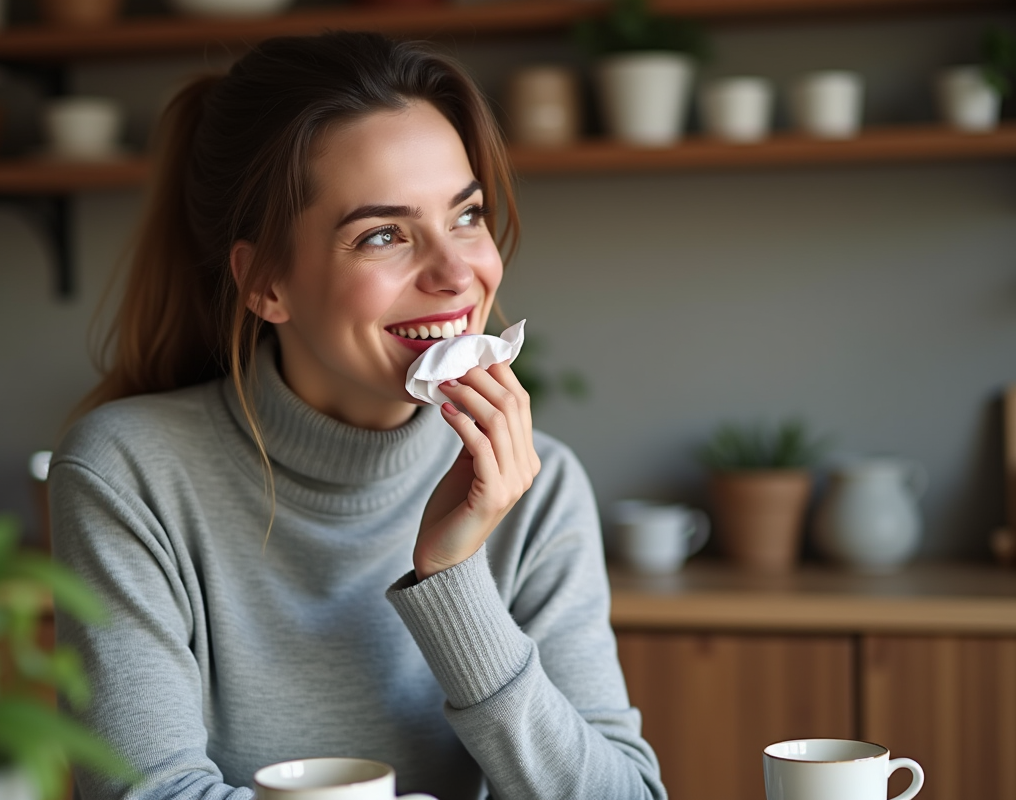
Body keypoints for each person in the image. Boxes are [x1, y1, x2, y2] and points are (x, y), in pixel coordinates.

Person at [49, 30, 665, 800]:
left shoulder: (537, 488)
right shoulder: (129, 472)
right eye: (383, 235)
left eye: (466, 216)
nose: (457, 274)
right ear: (267, 282)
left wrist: (454, 580)